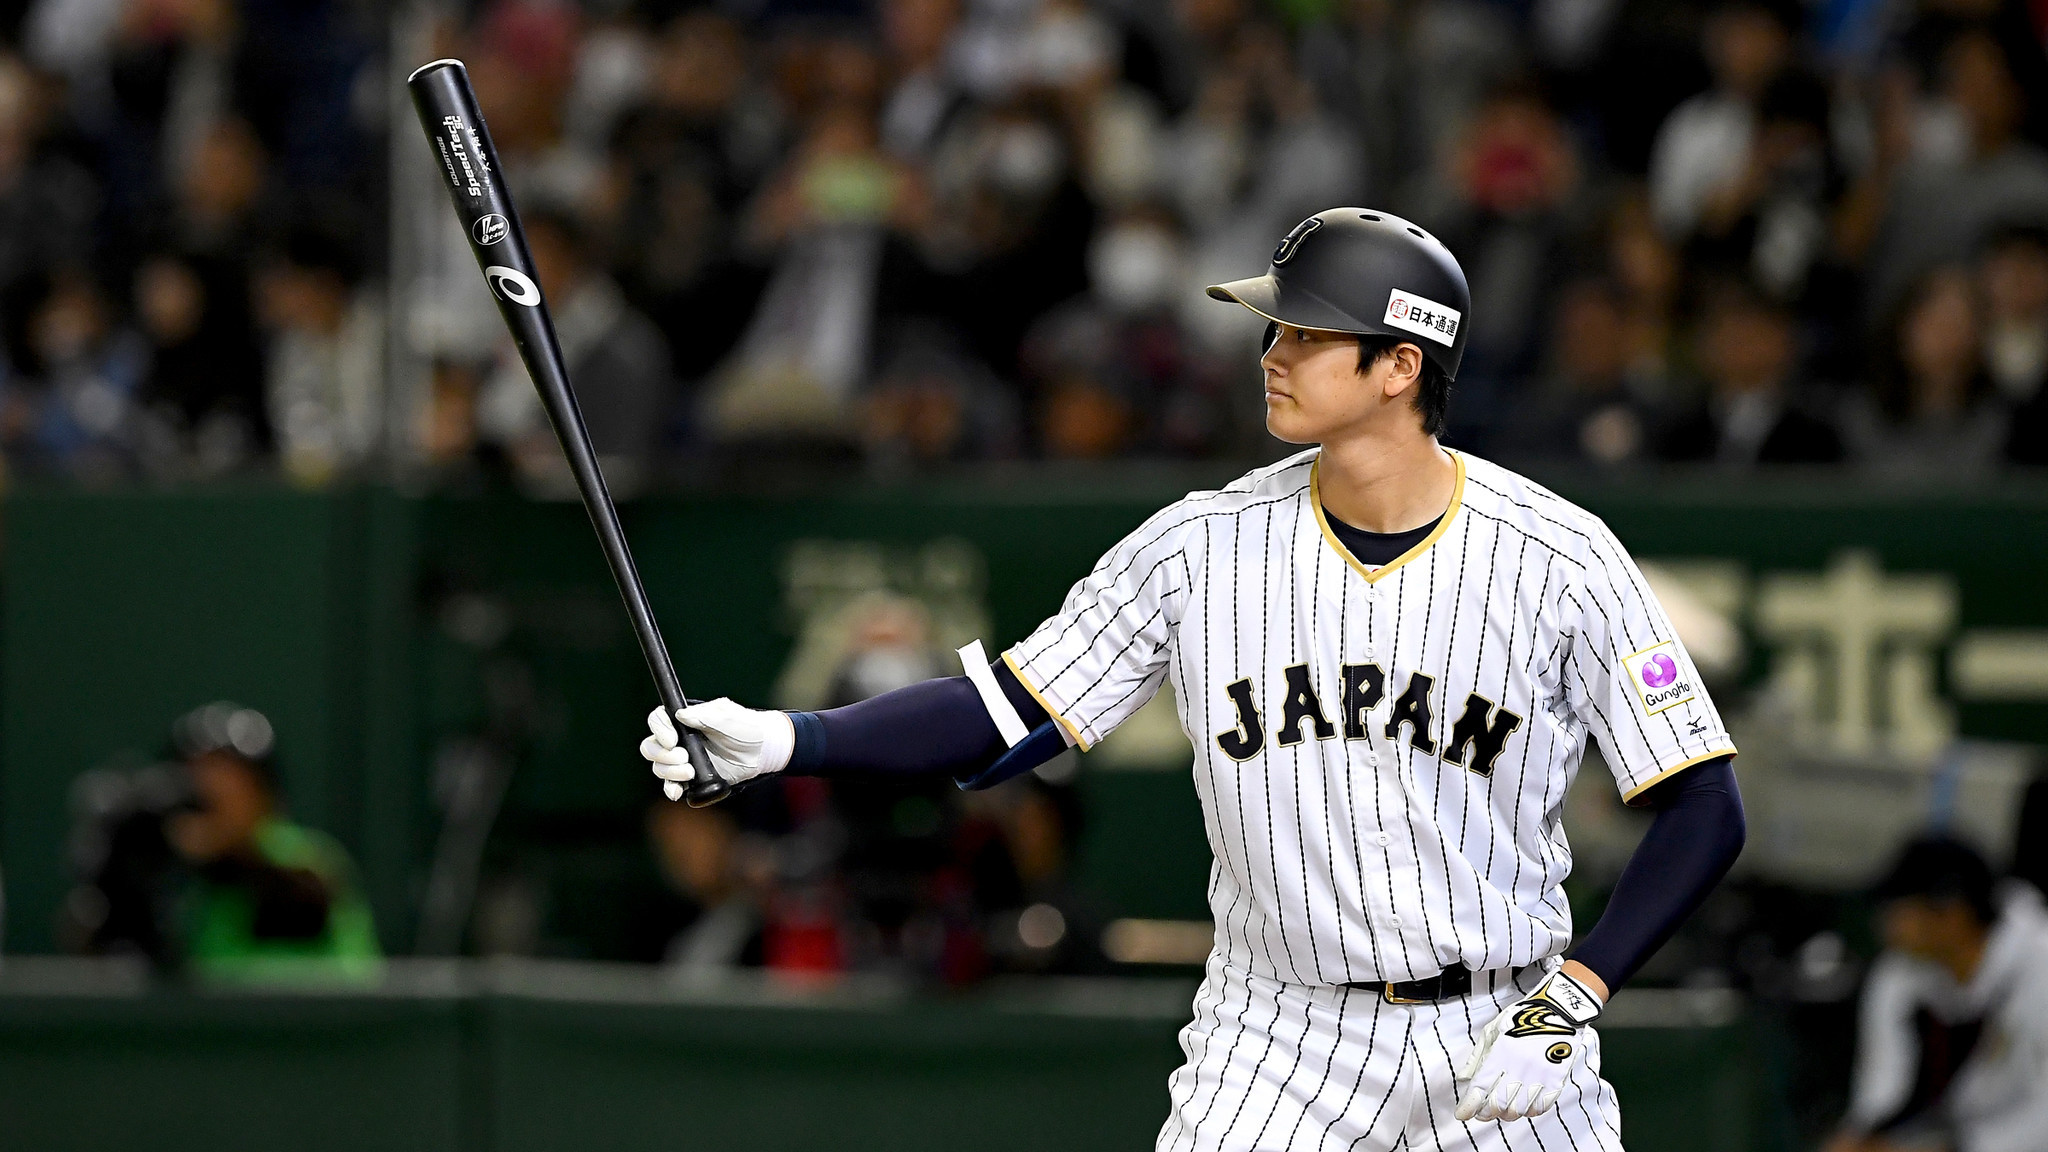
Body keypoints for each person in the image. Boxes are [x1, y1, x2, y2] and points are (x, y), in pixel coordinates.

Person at [641, 208, 1747, 1148]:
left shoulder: (1558, 557)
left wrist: (1575, 996)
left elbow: (1703, 803)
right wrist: (791, 740)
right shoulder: (1196, 547)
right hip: (1275, 1040)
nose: (1269, 349)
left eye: (1307, 331)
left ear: (1399, 365)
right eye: (1273, 324)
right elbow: (1005, 714)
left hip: (1504, 1023)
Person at [1825, 836, 2048, 1152]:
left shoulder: (2040, 968)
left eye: (1899, 909)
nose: (1885, 924)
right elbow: (1883, 1084)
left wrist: (1960, 1148)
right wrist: (1862, 1136)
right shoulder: (1898, 973)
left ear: (1952, 913)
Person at [165, 702, 381, 984]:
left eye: (230, 785)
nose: (212, 796)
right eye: (198, 792)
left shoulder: (305, 865)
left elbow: (354, 973)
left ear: (264, 793)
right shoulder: (173, 872)